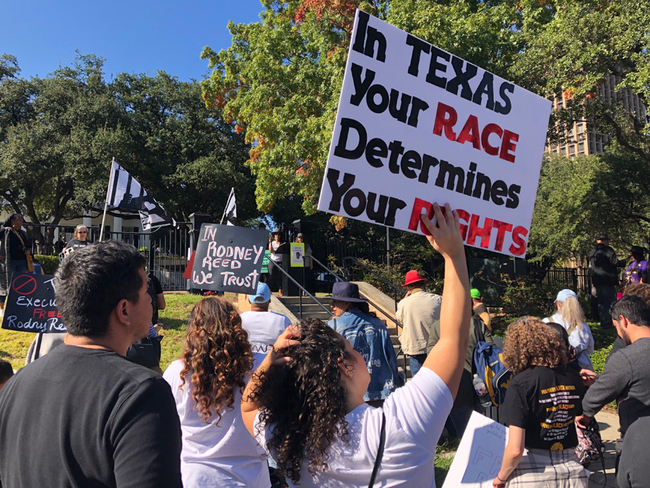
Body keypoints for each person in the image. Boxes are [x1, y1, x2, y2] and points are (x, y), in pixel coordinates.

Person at [241, 203, 472, 487]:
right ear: (344, 366)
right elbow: (453, 339)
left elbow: (248, 408)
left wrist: (271, 359)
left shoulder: (287, 439)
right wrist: (454, 253)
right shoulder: (403, 423)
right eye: (351, 349)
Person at [0, 240, 183, 487]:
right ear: (124, 310)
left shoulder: (16, 383)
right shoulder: (142, 393)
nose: (151, 300)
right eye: (145, 293)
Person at [163, 297, 271, 488]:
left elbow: (165, 430)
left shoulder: (178, 373)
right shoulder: (260, 366)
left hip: (198, 478)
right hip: (252, 477)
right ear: (236, 327)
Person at [492, 317, 588, 488]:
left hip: (533, 471)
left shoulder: (521, 383)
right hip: (572, 468)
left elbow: (515, 450)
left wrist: (501, 477)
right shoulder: (573, 376)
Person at [577, 294, 650, 475]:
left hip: (638, 445)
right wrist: (601, 377)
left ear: (623, 321)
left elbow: (593, 399)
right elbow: (638, 379)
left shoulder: (627, 356)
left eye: (616, 326)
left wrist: (583, 417)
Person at [327, 281, 404, 406]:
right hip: (379, 389)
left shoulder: (334, 326)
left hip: (350, 392)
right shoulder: (378, 324)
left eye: (335, 301)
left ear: (347, 304)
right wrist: (397, 379)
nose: (332, 305)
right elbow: (390, 356)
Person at [427, 314, 494, 439]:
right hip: (481, 382)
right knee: (480, 421)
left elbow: (431, 352)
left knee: (463, 429)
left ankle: (464, 445)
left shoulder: (438, 326)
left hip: (455, 384)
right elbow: (491, 350)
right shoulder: (479, 325)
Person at [396, 269, 441, 377]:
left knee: (418, 381)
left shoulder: (404, 303)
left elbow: (399, 318)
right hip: (436, 346)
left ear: (408, 287)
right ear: (423, 284)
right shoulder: (438, 299)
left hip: (415, 347)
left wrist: (405, 298)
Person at [240, 282, 291, 371]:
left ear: (249, 300)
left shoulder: (239, 319)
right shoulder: (283, 320)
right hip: (274, 372)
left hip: (245, 372)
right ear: (270, 300)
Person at [543, 289, 595, 371]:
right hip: (582, 369)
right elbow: (590, 349)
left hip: (555, 369)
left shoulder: (546, 322)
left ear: (559, 304)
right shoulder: (583, 326)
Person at [589, 233, 623, 328]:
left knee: (601, 302)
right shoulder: (608, 250)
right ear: (605, 241)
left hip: (597, 281)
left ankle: (603, 321)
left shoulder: (593, 252)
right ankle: (608, 322)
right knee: (609, 302)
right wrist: (624, 262)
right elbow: (615, 262)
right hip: (607, 280)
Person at [268, 229, 284, 294]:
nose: (277, 236)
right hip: (273, 261)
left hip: (280, 261)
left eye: (279, 234)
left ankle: (280, 289)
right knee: (271, 275)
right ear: (274, 236)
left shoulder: (282, 243)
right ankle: (269, 289)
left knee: (279, 276)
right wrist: (271, 243)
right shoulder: (272, 243)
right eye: (276, 234)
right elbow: (271, 251)